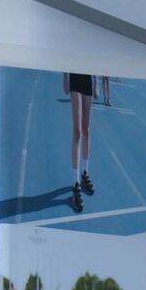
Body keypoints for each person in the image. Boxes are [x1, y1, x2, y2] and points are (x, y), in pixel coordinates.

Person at [63, 73, 96, 212]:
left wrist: (96, 82)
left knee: (86, 130)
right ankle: (75, 184)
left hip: (87, 79)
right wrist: (65, 77)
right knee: (77, 132)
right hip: (75, 78)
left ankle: (84, 173)